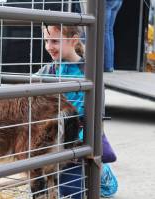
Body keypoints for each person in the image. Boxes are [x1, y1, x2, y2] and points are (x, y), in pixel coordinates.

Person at [37, 24, 118, 198]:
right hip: (55, 141)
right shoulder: (48, 70)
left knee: (84, 191)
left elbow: (96, 117)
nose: (49, 47)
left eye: (55, 41)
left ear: (73, 41)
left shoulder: (89, 73)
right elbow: (26, 87)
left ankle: (102, 171)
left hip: (78, 145)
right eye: (46, 41)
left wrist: (81, 145)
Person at [104, 0, 123, 72]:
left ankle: (107, 66)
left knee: (105, 30)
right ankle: (110, 65)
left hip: (109, 2)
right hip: (118, 2)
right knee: (109, 31)